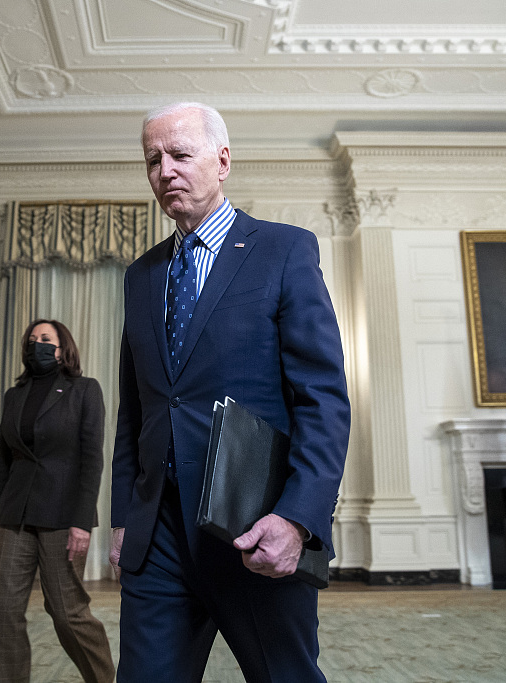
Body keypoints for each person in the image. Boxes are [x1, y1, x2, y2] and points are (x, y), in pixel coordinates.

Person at [109, 102, 350, 682]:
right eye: (153, 160)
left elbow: (322, 400)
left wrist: (297, 518)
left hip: (255, 526)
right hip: (158, 537)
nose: (165, 170)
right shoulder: (141, 275)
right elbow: (135, 411)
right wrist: (122, 518)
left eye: (180, 154)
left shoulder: (284, 250)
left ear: (222, 162)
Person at [0, 319, 115, 683]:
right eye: (32, 339)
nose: (36, 344)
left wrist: (82, 521)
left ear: (62, 349)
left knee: (66, 611)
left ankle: (104, 679)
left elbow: (92, 459)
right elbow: (2, 462)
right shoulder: (14, 396)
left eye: (45, 338)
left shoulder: (84, 390)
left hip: (63, 515)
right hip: (14, 515)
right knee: (3, 612)